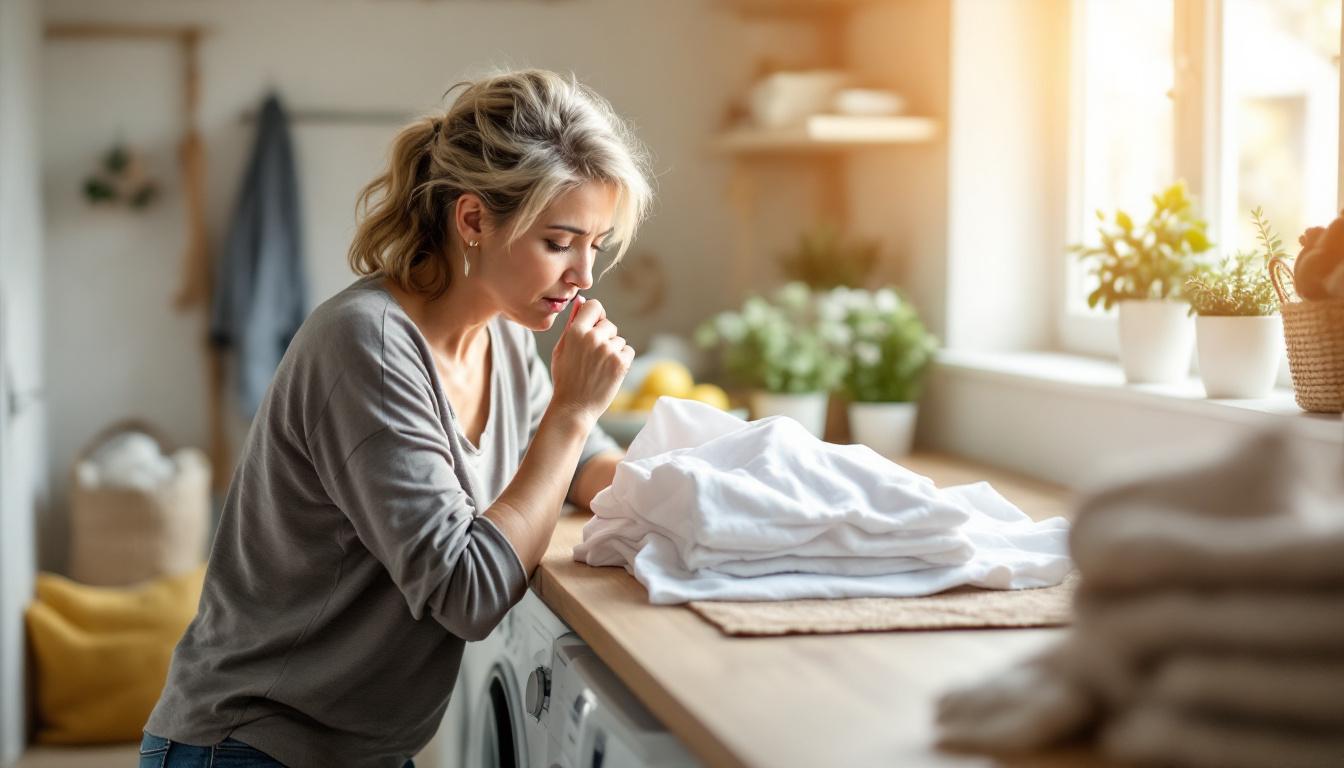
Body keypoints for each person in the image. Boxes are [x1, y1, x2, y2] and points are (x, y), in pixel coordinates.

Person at [141, 69, 654, 768]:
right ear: (472, 220)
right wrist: (572, 409)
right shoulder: (369, 348)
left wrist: (693, 498)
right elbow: (468, 592)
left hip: (364, 751)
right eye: (559, 243)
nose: (584, 276)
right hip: (254, 745)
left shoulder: (502, 338)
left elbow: (584, 462)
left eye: (594, 245)